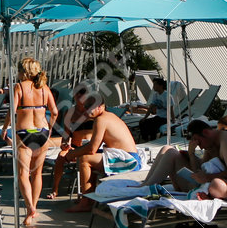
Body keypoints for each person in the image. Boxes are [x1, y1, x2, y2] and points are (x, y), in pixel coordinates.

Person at [65, 102, 141, 213]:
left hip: (127, 162)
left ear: (101, 107)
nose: (86, 111)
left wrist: (72, 154)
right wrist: (76, 152)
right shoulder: (109, 116)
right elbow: (94, 145)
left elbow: (92, 148)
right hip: (129, 157)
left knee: (85, 159)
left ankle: (86, 202)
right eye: (86, 108)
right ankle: (90, 197)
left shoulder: (101, 120)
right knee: (87, 157)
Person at [11, 57, 58, 227]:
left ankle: (30, 206)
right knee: (36, 174)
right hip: (42, 133)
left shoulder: (19, 87)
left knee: (24, 174)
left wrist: (4, 129)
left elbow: (12, 111)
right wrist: (50, 128)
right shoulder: (45, 89)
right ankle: (33, 210)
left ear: (23, 71)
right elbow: (54, 112)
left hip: (24, 133)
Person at [171, 120, 227, 202]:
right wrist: (191, 154)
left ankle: (209, 196)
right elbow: (200, 172)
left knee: (216, 185)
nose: (201, 147)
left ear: (205, 132)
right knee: (170, 153)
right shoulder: (211, 146)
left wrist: (207, 177)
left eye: (199, 142)